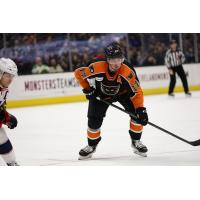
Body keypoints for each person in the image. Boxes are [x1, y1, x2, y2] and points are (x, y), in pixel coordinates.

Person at [74, 42, 149, 160]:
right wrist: (88, 89)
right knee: (94, 120)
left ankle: (136, 141)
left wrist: (141, 109)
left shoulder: (127, 71)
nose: (116, 63)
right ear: (107, 59)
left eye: (119, 59)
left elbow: (137, 91)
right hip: (101, 95)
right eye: (113, 60)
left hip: (123, 94)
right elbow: (78, 74)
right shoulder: (96, 66)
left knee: (137, 114)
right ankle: (91, 146)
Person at [0, 58, 19, 166]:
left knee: (1, 136)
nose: (10, 79)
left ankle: (11, 163)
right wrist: (5, 117)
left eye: (12, 76)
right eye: (8, 75)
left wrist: (5, 117)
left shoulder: (4, 88)